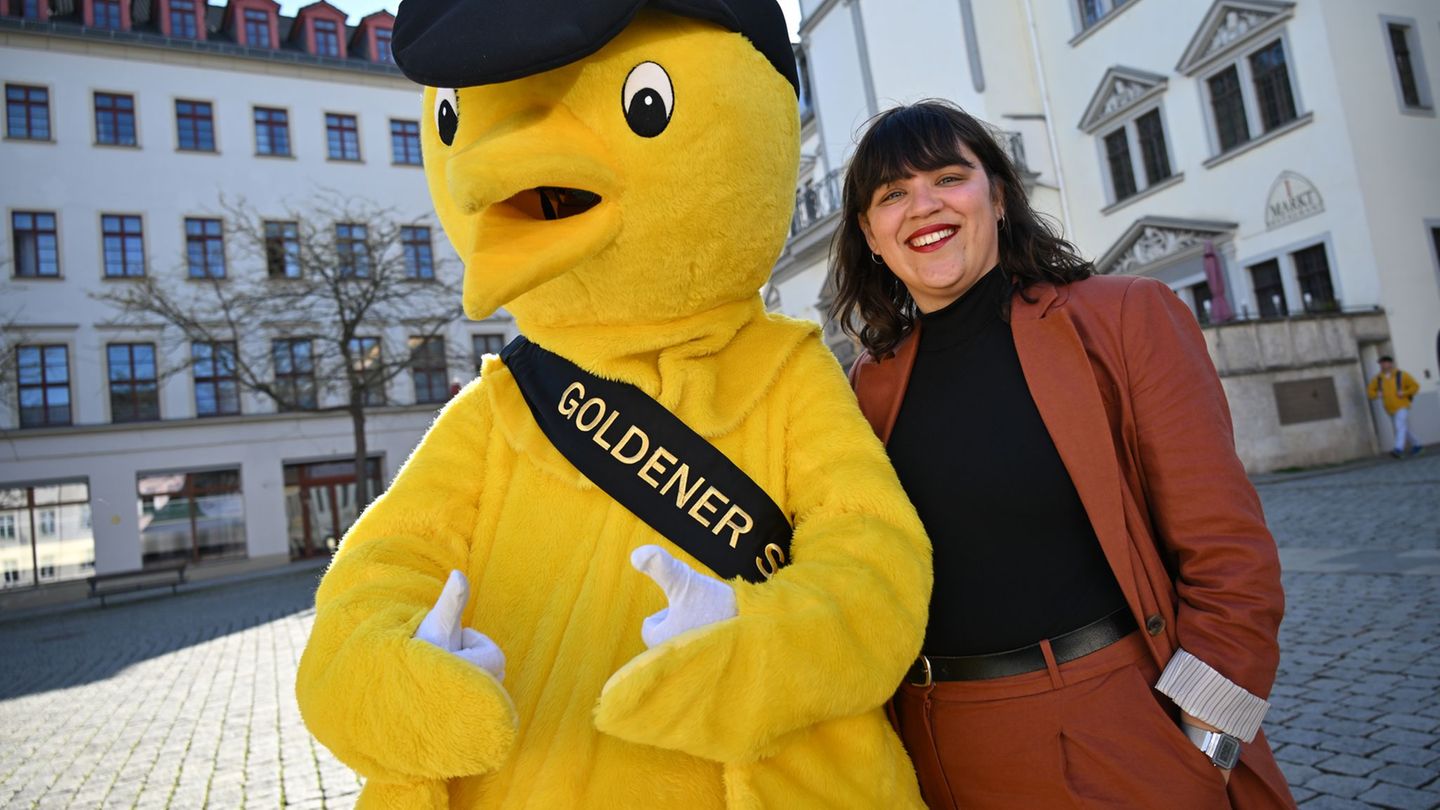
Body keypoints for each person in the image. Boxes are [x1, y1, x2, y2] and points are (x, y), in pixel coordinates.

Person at [835, 100, 1295, 809]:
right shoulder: (870, 383)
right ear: (870, 233)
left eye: (948, 178)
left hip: (1105, 727)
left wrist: (1208, 747)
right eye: (891, 195)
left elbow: (1230, 557)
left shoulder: (1121, 317)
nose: (922, 206)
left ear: (998, 194)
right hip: (933, 750)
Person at [1368, 355, 1424, 458]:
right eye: (1381, 363)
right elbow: (1370, 392)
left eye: (1385, 362)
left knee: (1399, 426)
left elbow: (1415, 386)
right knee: (1403, 428)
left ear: (1390, 363)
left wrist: (1404, 392)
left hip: (1402, 405)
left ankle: (1398, 449)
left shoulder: (1401, 375)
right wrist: (1377, 394)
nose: (1383, 365)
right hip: (1389, 408)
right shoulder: (1378, 379)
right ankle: (1417, 445)